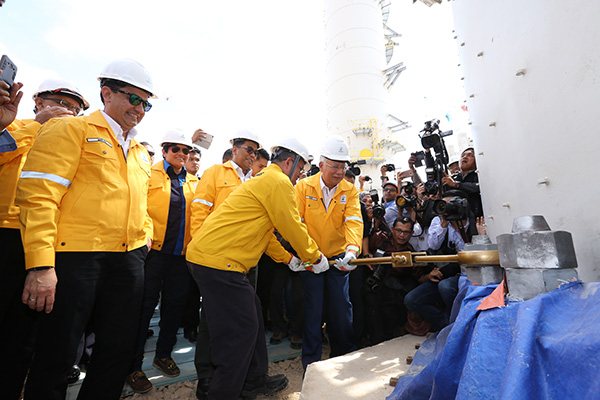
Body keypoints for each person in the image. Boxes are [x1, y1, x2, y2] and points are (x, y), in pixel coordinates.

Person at [15, 59, 155, 400]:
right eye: (133, 99)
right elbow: (38, 196)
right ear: (107, 93)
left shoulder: (138, 151)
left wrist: (145, 234)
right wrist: (41, 265)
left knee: (115, 354)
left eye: (146, 103)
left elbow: (140, 202)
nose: (140, 109)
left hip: (128, 262)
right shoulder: (71, 130)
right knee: (57, 356)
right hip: (76, 259)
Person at [186, 137, 327, 400]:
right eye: (300, 170)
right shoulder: (278, 181)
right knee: (240, 331)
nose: (299, 176)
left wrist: (288, 259)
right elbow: (291, 226)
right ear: (289, 162)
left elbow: (266, 234)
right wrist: (314, 257)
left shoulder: (265, 180)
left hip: (216, 260)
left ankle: (253, 378)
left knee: (253, 317)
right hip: (219, 264)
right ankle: (223, 392)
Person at [1, 77, 89, 399]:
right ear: (38, 102)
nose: (66, 112)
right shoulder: (13, 127)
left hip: (43, 246)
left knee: (21, 340)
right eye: (60, 103)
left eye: (73, 109)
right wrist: (36, 127)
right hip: (5, 235)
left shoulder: (78, 144)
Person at [189, 130, 261, 399]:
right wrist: (201, 251)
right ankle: (207, 375)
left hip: (245, 260)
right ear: (234, 150)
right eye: (248, 149)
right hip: (215, 259)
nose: (252, 155)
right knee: (212, 318)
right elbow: (199, 211)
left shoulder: (255, 180)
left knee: (243, 321)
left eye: (255, 151)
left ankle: (241, 377)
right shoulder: (215, 173)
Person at [126, 130, 199, 393]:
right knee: (143, 310)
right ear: (165, 150)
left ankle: (163, 355)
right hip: (152, 255)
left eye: (185, 151)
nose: (181, 154)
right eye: (175, 149)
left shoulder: (193, 182)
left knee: (174, 308)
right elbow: (138, 208)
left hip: (180, 258)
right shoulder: (149, 174)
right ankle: (133, 366)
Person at [294, 134, 363, 370]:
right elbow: (297, 224)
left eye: (342, 166)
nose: (339, 171)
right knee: (313, 312)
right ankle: (311, 364)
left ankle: (344, 357)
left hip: (338, 260)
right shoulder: (303, 186)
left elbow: (354, 221)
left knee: (342, 309)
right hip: (312, 260)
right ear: (321, 165)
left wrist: (352, 251)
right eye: (334, 165)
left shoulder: (350, 190)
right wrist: (312, 255)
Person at [404, 194, 475, 332]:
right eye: (443, 205)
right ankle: (447, 323)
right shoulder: (439, 220)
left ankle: (452, 324)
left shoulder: (471, 221)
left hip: (466, 275)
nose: (446, 208)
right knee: (411, 300)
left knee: (445, 286)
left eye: (450, 204)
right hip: (444, 272)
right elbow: (433, 245)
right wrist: (444, 223)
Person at [364, 216, 420, 344]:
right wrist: (368, 255)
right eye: (398, 230)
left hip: (394, 293)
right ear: (392, 229)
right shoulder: (379, 240)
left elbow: (418, 275)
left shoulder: (410, 252)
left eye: (406, 232)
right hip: (374, 285)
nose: (401, 235)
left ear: (412, 233)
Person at [442, 147, 483, 217]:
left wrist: (456, 185)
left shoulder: (479, 175)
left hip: (477, 218)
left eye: (470, 155)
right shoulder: (454, 178)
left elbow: (479, 187)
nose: (465, 157)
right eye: (462, 156)